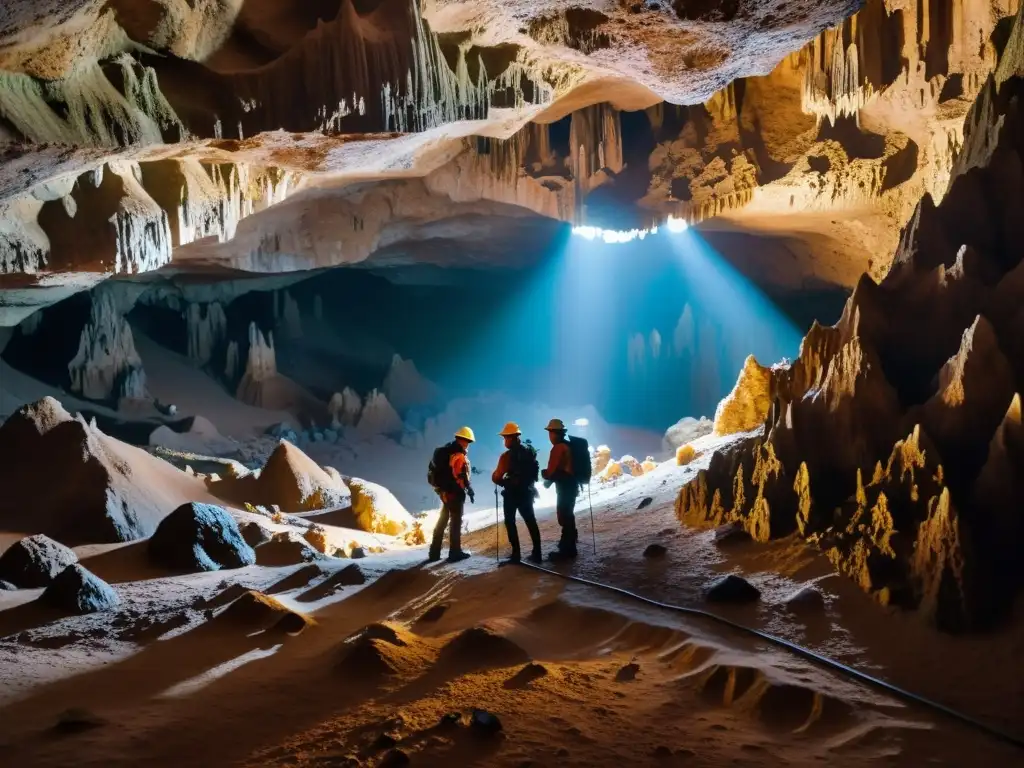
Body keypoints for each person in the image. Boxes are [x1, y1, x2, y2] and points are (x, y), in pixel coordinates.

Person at [491, 422, 543, 564]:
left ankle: (516, 555)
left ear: (511, 438)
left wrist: (502, 481)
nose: (504, 441)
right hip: (527, 492)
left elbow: (496, 477)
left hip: (512, 494)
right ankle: (537, 553)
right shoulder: (529, 451)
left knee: (510, 522)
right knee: (530, 521)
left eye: (505, 438)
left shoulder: (506, 457)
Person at [428, 426, 476, 563]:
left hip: (444, 492)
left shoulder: (446, 452)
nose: (468, 444)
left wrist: (444, 491)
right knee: (455, 522)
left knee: (442, 520)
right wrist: (468, 489)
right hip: (454, 493)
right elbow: (462, 476)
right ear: (463, 440)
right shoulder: (458, 455)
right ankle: (455, 552)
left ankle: (434, 552)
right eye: (468, 441)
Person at [542, 418, 578, 560]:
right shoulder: (569, 446)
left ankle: (567, 550)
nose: (549, 436)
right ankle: (568, 544)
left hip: (565, 486)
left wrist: (544, 474)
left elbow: (551, 472)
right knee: (568, 514)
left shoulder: (558, 448)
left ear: (554, 433)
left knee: (564, 515)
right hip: (572, 484)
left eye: (550, 433)